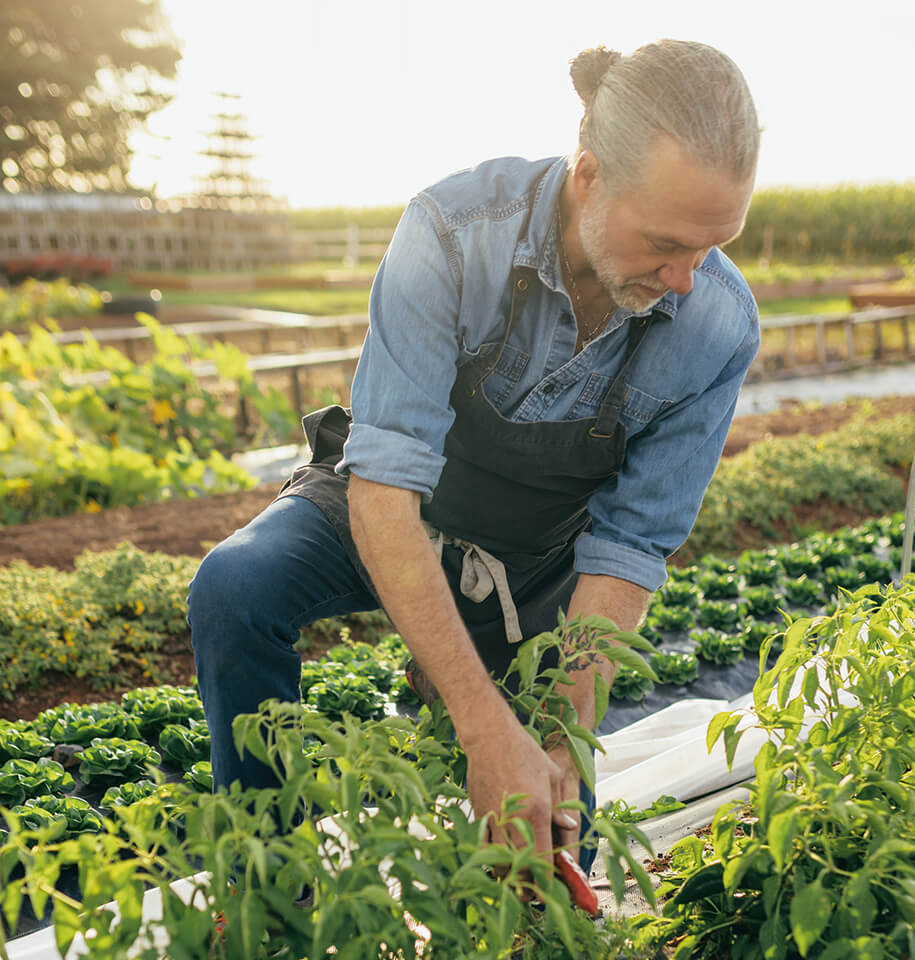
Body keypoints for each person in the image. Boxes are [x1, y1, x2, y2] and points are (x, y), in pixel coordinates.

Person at [187, 38, 761, 876]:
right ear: (590, 177)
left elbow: (630, 548)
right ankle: (270, 882)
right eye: (665, 243)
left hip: (534, 561)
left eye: (712, 247)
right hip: (384, 506)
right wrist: (480, 721)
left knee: (549, 834)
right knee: (234, 588)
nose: (684, 279)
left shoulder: (718, 325)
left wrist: (559, 736)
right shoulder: (454, 238)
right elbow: (384, 490)